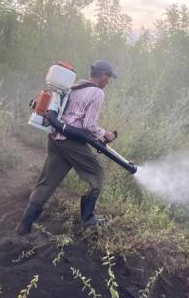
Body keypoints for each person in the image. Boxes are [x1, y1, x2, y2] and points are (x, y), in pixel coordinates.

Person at [16, 60, 118, 235]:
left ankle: (23, 227)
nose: (108, 82)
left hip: (56, 138)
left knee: (47, 182)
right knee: (96, 173)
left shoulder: (75, 87)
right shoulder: (97, 92)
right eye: (108, 78)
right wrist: (105, 134)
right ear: (103, 76)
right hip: (72, 141)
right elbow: (88, 125)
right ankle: (88, 219)